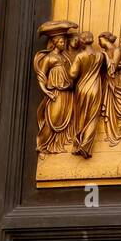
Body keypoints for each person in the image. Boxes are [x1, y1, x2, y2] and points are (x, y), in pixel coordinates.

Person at [33, 20, 77, 154]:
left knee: (64, 118)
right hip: (55, 93)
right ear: (55, 43)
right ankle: (42, 144)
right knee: (54, 117)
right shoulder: (49, 58)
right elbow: (41, 76)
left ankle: (56, 145)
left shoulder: (66, 57)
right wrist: (46, 91)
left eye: (64, 41)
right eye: (61, 42)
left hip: (67, 92)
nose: (63, 44)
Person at [68, 31, 106, 159]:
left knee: (81, 117)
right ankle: (86, 145)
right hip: (96, 89)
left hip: (83, 89)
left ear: (82, 42)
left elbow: (72, 74)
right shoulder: (100, 56)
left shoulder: (80, 56)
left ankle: (78, 144)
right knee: (93, 117)